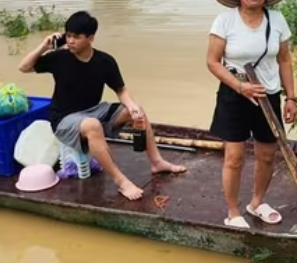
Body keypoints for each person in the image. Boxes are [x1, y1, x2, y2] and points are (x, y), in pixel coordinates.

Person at [18, 11, 187, 200]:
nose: (70, 41)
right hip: (64, 119)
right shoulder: (59, 58)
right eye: (68, 35)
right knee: (93, 125)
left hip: (93, 111)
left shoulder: (104, 61)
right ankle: (121, 182)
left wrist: (132, 106)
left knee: (137, 111)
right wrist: (44, 46)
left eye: (76, 37)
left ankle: (157, 162)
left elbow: (121, 90)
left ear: (90, 38)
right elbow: (23, 67)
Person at [206, 0, 297, 229]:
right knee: (234, 157)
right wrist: (240, 86)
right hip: (235, 96)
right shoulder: (224, 21)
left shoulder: (277, 19)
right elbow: (212, 62)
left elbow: (284, 60)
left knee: (267, 155)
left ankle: (256, 203)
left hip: (268, 96)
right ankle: (233, 212)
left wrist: (291, 98)